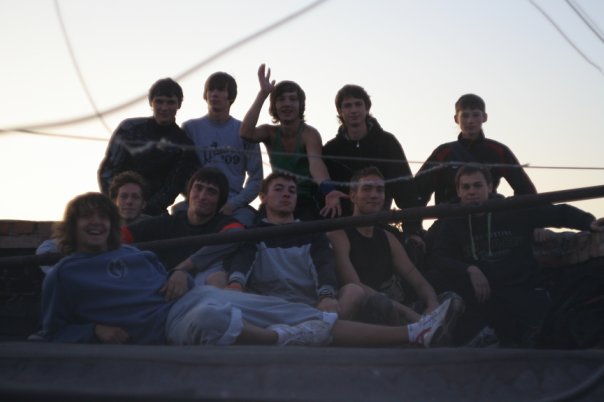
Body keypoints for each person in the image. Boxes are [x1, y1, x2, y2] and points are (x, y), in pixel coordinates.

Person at [40, 192, 457, 348]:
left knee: (310, 315)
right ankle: (281, 340)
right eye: (86, 218)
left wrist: (179, 273)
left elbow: (168, 278)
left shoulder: (137, 257)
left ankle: (415, 333)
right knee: (211, 318)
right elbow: (53, 330)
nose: (96, 223)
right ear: (72, 226)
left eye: (102, 217)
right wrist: (94, 331)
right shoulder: (66, 273)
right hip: (167, 329)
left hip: (187, 300)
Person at [426, 164, 603, 347]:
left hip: (520, 287)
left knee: (547, 331)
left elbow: (557, 213)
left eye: (477, 185)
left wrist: (588, 222)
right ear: (459, 191)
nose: (472, 191)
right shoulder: (451, 221)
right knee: (437, 279)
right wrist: (469, 269)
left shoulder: (511, 209)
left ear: (490, 187)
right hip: (482, 294)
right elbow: (439, 256)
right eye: (466, 187)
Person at [328, 167, 460, 324]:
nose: (374, 195)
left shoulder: (387, 237)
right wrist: (411, 315)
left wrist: (432, 304)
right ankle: (421, 331)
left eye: (379, 190)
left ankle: (427, 330)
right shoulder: (339, 235)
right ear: (353, 196)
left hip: (395, 309)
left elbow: (417, 280)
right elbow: (354, 284)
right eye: (367, 189)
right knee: (381, 304)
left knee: (451, 299)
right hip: (364, 310)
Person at [224, 172, 365, 320]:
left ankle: (317, 325)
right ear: (263, 197)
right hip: (265, 308)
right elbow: (242, 262)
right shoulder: (253, 234)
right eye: (279, 189)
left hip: (309, 308)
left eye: (292, 191)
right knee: (220, 282)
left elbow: (324, 268)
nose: (286, 194)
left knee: (354, 291)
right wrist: (235, 284)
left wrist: (326, 296)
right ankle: (321, 329)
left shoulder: (314, 235)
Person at [240, 64, 346, 220]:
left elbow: (316, 164)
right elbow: (246, 133)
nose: (287, 104)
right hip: (276, 197)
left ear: (300, 105)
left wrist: (329, 190)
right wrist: (263, 94)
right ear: (274, 106)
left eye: (293, 99)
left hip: (304, 198)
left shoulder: (309, 134)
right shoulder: (269, 132)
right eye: (281, 99)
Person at [121, 167, 244, 294]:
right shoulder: (166, 222)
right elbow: (121, 236)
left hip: (201, 296)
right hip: (161, 294)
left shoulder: (224, 224)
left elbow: (237, 235)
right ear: (189, 192)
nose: (202, 196)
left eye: (211, 192)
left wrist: (182, 268)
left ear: (220, 200)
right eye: (198, 188)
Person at [98, 78, 198, 216]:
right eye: (159, 101)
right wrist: (115, 203)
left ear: (179, 104)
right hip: (118, 209)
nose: (164, 108)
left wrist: (145, 210)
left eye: (170, 102)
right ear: (151, 102)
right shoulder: (129, 128)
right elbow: (108, 171)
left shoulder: (183, 144)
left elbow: (172, 187)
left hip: (153, 214)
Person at [415, 93, 536, 207]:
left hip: (489, 217)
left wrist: (507, 213)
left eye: (475, 115)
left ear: (484, 117)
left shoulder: (499, 151)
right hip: (451, 219)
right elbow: (418, 194)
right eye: (465, 115)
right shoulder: (443, 153)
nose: (470, 121)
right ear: (456, 119)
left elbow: (526, 191)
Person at [322, 84, 419, 220]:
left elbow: (405, 190)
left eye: (358, 104)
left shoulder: (387, 142)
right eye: (348, 106)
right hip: (343, 222)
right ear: (340, 111)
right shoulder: (330, 149)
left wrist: (412, 227)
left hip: (379, 220)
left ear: (367, 108)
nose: (354, 110)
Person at [182, 71, 263, 226]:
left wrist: (233, 204)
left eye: (220, 90)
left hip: (233, 204)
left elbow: (256, 178)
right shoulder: (190, 129)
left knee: (246, 224)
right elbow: (181, 172)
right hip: (198, 200)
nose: (214, 94)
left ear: (230, 96)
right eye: (211, 90)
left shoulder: (244, 131)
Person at [36, 170, 150, 274]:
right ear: (114, 201)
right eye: (124, 197)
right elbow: (47, 248)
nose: (129, 201)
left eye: (135, 197)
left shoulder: (153, 227)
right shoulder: (100, 228)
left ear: (144, 203)